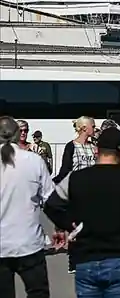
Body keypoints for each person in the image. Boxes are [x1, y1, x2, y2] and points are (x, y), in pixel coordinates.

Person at [44, 127, 120, 298]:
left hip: (86, 258)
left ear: (96, 150)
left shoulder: (76, 178)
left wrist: (70, 225)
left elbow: (51, 205)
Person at [0, 116, 58, 298]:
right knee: (38, 293)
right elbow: (51, 200)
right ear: (18, 135)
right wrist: (61, 226)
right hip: (29, 243)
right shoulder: (34, 160)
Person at [54, 116, 98, 184]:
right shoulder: (71, 146)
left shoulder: (94, 147)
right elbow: (65, 170)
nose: (94, 129)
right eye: (93, 126)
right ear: (84, 128)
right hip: (77, 185)